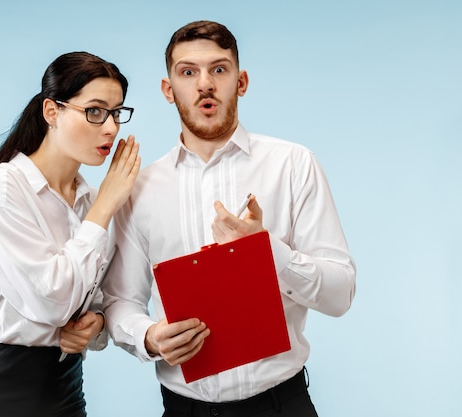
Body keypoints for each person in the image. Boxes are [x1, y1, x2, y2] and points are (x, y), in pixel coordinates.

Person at [100, 21, 356, 416]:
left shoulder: (293, 165)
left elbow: (340, 295)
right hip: (185, 409)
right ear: (169, 90)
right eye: (188, 72)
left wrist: (264, 250)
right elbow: (120, 301)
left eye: (219, 69)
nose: (205, 84)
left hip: (281, 405)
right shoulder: (139, 188)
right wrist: (149, 337)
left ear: (241, 82)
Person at [0, 51, 141, 417]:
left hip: (64, 389)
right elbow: (51, 302)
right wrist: (103, 210)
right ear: (52, 111)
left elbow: (96, 298)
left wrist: (94, 325)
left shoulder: (90, 200)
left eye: (116, 112)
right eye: (95, 111)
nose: (111, 127)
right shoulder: (3, 189)